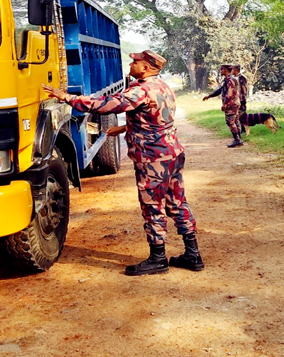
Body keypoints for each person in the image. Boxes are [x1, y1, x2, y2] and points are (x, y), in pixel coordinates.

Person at [43, 50, 203, 276]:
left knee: (152, 205)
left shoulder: (140, 90)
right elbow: (155, 119)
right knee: (177, 202)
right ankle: (193, 254)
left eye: (135, 61)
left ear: (145, 67)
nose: (131, 64)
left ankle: (158, 258)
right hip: (171, 153)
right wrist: (124, 128)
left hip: (153, 158)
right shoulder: (162, 87)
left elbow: (104, 105)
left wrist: (66, 97)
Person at [202, 64, 243, 147]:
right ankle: (238, 138)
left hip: (231, 103)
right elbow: (220, 90)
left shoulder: (230, 80)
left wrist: (225, 104)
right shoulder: (230, 79)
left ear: (225, 70)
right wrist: (210, 96)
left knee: (230, 121)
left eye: (221, 69)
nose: (221, 71)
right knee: (235, 120)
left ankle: (237, 140)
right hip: (235, 103)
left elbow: (230, 93)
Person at [232, 64, 249, 134]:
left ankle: (244, 129)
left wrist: (242, 98)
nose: (231, 71)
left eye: (232, 69)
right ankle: (241, 129)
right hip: (238, 99)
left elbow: (244, 89)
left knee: (242, 114)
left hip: (241, 99)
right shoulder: (236, 78)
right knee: (238, 114)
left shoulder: (241, 78)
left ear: (236, 70)